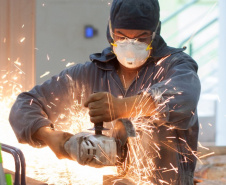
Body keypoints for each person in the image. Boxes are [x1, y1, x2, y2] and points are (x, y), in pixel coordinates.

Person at [9, 0, 201, 184]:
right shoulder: (89, 74)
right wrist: (49, 136)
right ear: (110, 31)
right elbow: (24, 104)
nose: (131, 45)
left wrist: (122, 107)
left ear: (155, 32)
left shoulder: (174, 66)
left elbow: (184, 98)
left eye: (141, 38)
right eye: (121, 36)